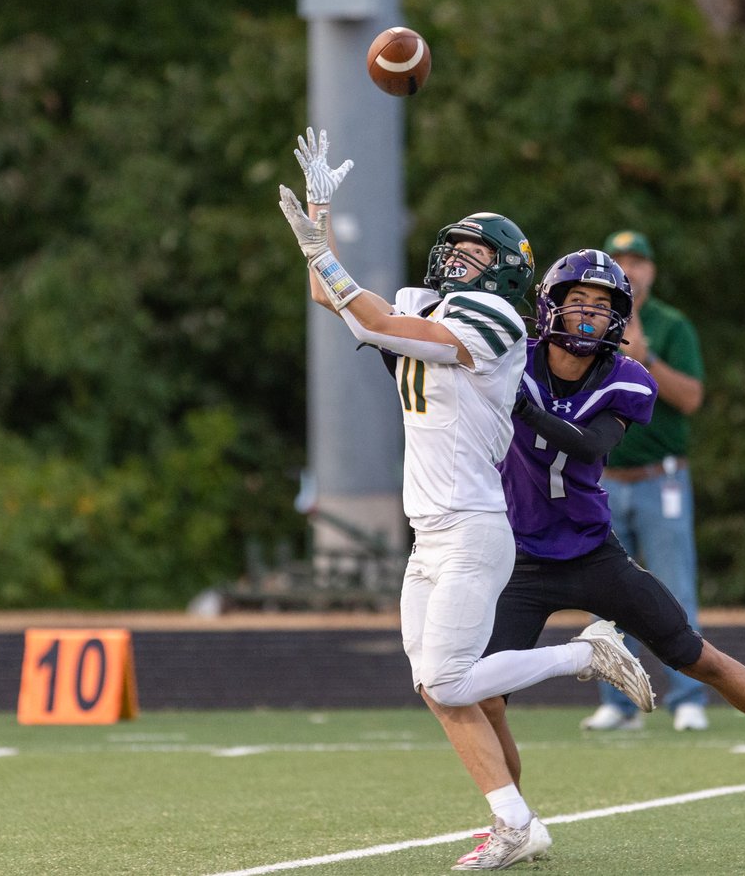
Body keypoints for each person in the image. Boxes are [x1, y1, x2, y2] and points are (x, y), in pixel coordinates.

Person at [277, 129, 653, 871]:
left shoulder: (498, 321)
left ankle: (585, 653)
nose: (457, 259)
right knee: (436, 685)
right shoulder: (431, 302)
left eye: (476, 254)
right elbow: (334, 297)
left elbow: (374, 320)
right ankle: (515, 823)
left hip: (475, 527)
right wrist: (318, 217)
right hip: (431, 531)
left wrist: (323, 252)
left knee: (449, 677)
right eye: (457, 247)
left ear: (506, 270)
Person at [475, 249, 745, 835]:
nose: (588, 314)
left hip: (591, 554)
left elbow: (588, 445)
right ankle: (514, 822)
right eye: (578, 300)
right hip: (522, 558)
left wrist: (525, 408)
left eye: (602, 305)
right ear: (551, 305)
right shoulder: (513, 358)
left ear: (618, 318)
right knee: (484, 696)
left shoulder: (627, 378)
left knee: (695, 654)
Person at [580, 229, 710, 732]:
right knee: (604, 592)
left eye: (638, 260)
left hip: (661, 480)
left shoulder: (672, 325)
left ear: (652, 270)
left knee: (674, 589)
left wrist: (646, 357)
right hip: (604, 479)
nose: (629, 269)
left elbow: (691, 398)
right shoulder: (587, 322)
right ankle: (619, 703)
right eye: (620, 260)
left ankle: (688, 697)